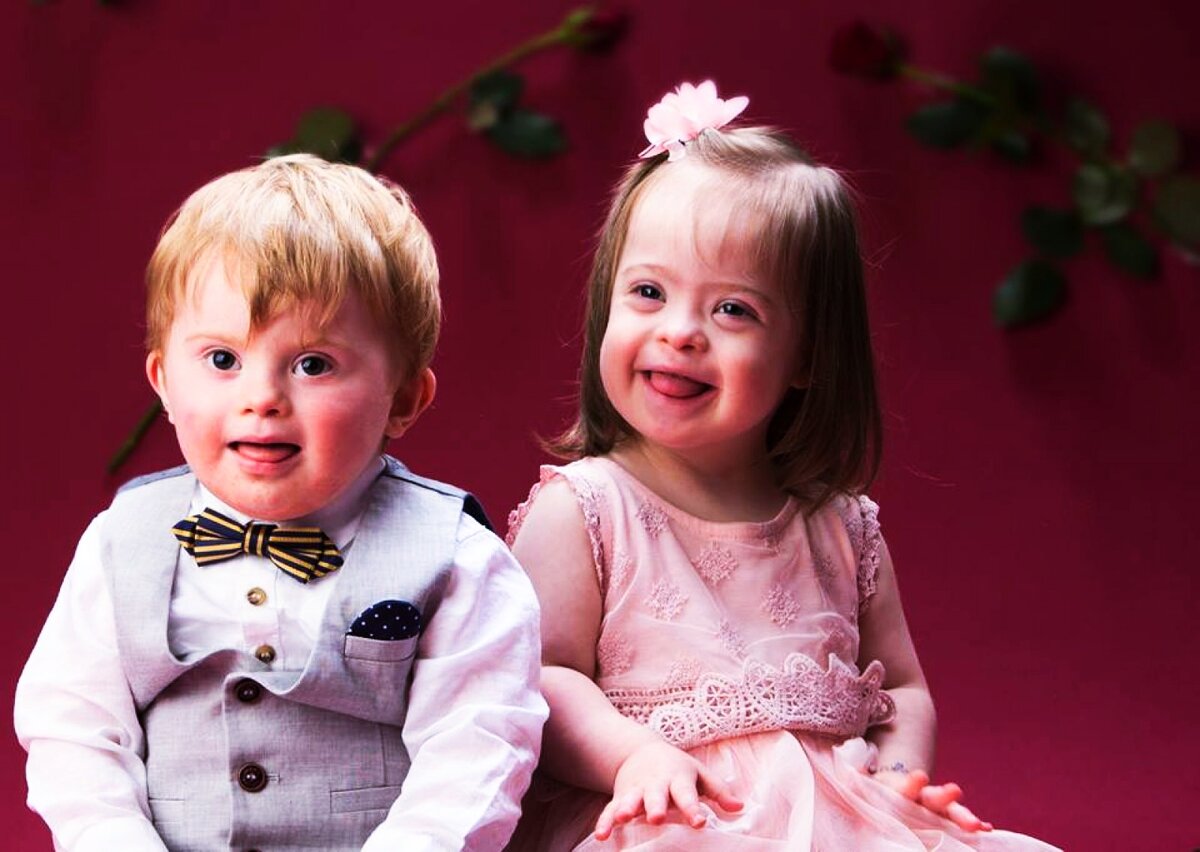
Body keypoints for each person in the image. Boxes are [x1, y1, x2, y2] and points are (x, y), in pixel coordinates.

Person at [505, 81, 1059, 850]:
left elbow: (901, 686)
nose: (681, 332)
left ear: (806, 356)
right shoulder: (587, 508)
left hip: (838, 815)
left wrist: (900, 779)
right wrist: (634, 757)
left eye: (733, 309)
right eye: (649, 292)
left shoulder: (840, 527)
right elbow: (538, 678)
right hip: (677, 815)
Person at [15, 154, 547, 852]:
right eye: (223, 360)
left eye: (313, 364)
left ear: (404, 399)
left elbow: (477, 746)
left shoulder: (456, 558)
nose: (261, 397)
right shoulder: (122, 542)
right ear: (164, 382)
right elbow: (73, 727)